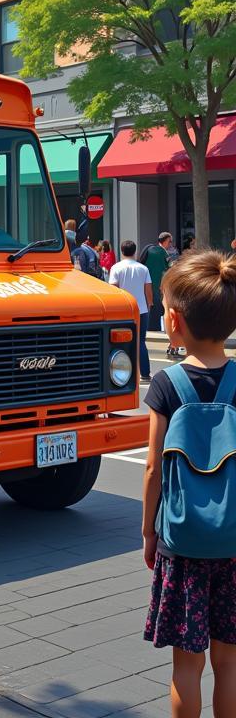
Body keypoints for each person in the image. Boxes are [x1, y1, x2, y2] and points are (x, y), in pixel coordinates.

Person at [142, 251, 236, 718]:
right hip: (234, 539)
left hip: (182, 544)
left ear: (173, 321)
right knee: (230, 662)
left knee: (187, 665)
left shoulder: (165, 384)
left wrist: (147, 532)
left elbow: (153, 469)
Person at [109, 240, 154, 381]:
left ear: (121, 251)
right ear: (135, 251)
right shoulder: (143, 268)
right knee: (141, 342)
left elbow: (114, 289)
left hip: (123, 309)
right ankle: (145, 374)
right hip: (141, 309)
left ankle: (122, 374)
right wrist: (150, 304)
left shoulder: (116, 268)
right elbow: (148, 289)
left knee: (121, 342)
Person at [141, 232, 173, 332]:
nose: (170, 244)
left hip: (146, 285)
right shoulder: (163, 253)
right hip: (158, 286)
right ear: (164, 241)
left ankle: (149, 328)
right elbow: (171, 268)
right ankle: (155, 329)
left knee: (149, 307)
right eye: (169, 241)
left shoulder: (150, 250)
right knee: (158, 308)